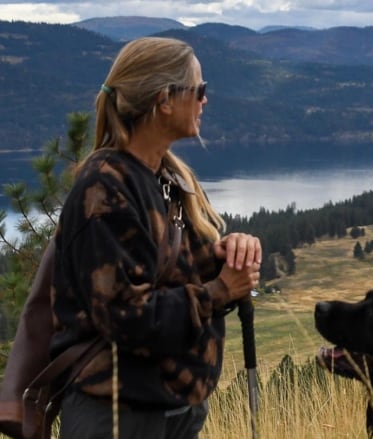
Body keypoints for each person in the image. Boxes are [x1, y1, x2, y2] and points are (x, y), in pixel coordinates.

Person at [50, 36, 262, 438]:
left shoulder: (163, 177)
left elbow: (172, 272)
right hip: (118, 416)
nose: (205, 101)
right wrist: (220, 290)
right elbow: (127, 316)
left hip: (168, 412)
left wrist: (229, 254)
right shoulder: (105, 188)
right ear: (165, 99)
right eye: (199, 90)